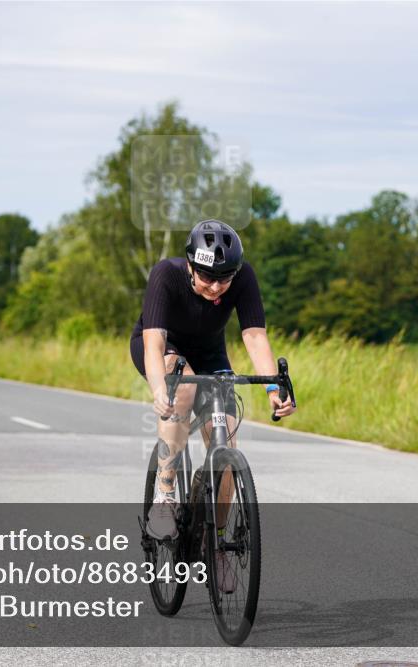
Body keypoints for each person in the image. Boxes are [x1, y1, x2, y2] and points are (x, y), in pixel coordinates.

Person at [130, 219, 295, 587]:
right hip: (163, 347)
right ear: (191, 265)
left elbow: (255, 336)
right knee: (182, 389)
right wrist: (159, 388)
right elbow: (154, 342)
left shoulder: (244, 277)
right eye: (207, 277)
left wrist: (274, 390)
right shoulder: (165, 275)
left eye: (225, 278)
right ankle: (166, 494)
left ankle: (215, 545)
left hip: (210, 353)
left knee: (227, 450)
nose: (217, 286)